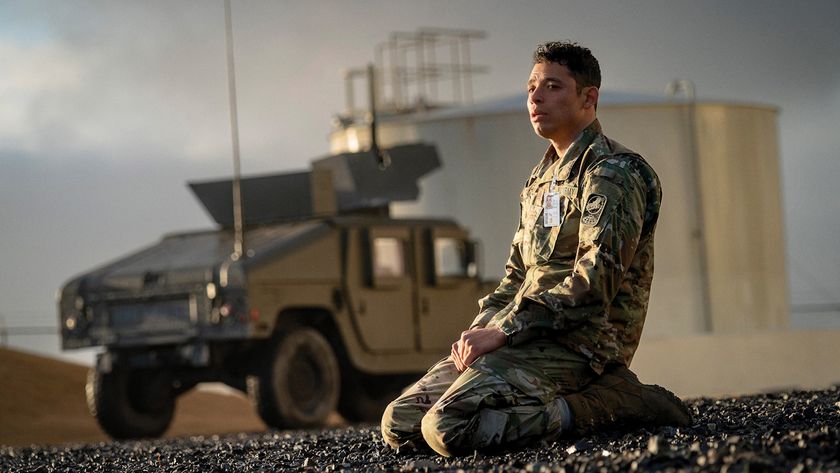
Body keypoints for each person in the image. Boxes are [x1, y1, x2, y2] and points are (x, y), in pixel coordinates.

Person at [381, 41, 690, 457]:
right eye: (531, 87)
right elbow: (516, 276)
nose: (536, 96)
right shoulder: (540, 179)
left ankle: (608, 402)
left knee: (447, 427)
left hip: (582, 345)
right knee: (399, 424)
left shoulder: (612, 173)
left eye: (553, 86)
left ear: (588, 98)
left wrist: (505, 332)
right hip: (521, 337)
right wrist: (483, 329)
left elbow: (594, 284)